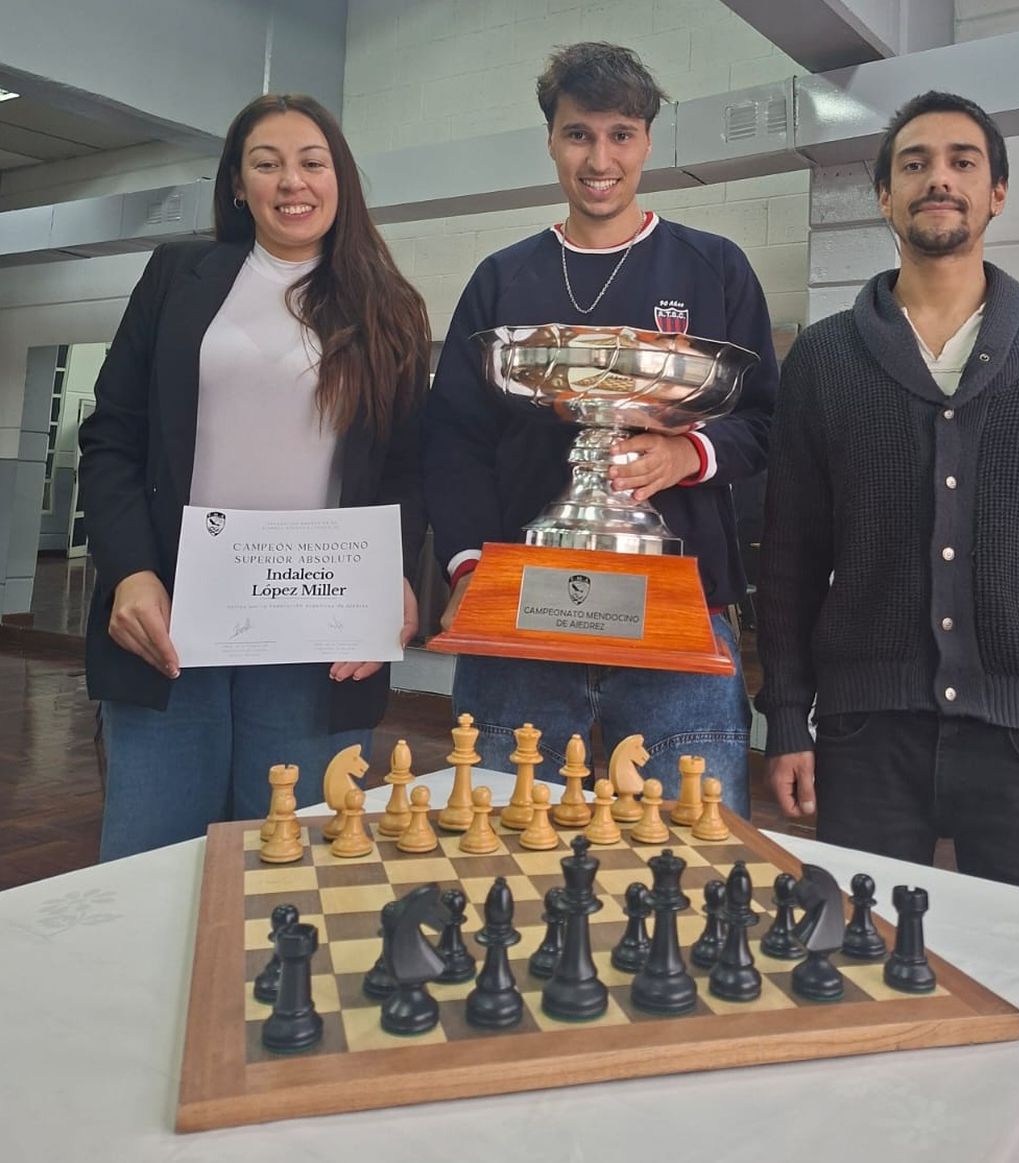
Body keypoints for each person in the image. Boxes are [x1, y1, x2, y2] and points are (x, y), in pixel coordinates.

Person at [755, 90, 1019, 897]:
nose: (938, 178)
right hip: (863, 737)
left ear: (996, 192)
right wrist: (788, 716)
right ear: (883, 196)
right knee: (854, 970)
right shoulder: (825, 362)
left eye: (962, 162)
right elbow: (791, 560)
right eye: (914, 164)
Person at [424, 43, 778, 816]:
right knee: (505, 856)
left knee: (690, 862)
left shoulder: (713, 267)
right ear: (551, 140)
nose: (600, 158)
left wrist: (689, 453)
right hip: (521, 615)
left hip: (678, 616)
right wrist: (465, 569)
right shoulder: (502, 277)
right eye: (579, 134)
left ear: (648, 141)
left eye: (621, 134)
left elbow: (767, 420)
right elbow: (452, 439)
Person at [79, 94, 431, 860]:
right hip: (172, 622)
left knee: (291, 867)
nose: (291, 181)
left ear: (340, 180)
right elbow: (112, 437)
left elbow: (406, 469)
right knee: (151, 859)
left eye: (312, 162)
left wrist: (393, 578)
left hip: (316, 628)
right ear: (238, 184)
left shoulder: (389, 309)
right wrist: (131, 573)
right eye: (265, 163)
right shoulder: (178, 277)